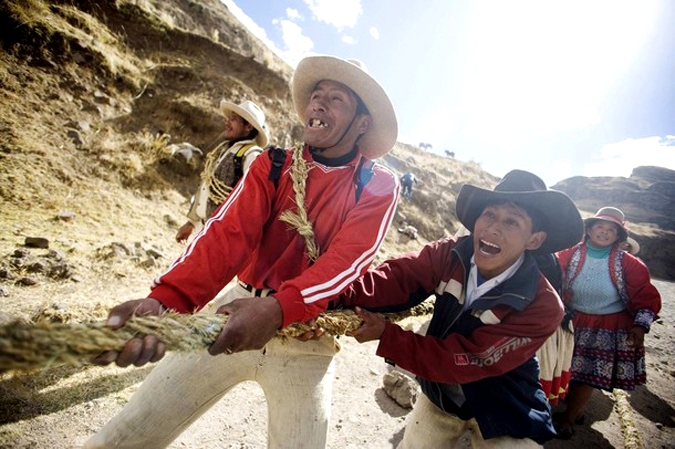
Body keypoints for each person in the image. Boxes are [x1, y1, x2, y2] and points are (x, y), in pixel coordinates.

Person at [85, 55, 399, 448]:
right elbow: (226, 235)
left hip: (308, 339)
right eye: (317, 95)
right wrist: (167, 299)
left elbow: (348, 262)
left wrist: (278, 309)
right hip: (234, 312)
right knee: (125, 436)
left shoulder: (378, 184)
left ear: (362, 124)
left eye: (336, 99)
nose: (318, 103)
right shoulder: (274, 164)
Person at [341, 169, 584, 447]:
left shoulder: (544, 305)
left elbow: (471, 358)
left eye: (512, 222)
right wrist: (333, 293)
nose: (493, 228)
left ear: (534, 240)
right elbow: (397, 279)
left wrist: (387, 336)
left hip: (506, 406)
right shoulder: (449, 254)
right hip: (442, 395)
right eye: (489, 215)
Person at [553, 206, 661, 439]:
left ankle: (569, 418)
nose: (604, 232)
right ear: (589, 230)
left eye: (611, 229)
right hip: (570, 319)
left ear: (619, 236)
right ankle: (568, 407)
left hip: (606, 326)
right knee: (562, 367)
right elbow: (550, 279)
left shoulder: (630, 264)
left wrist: (640, 325)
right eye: (599, 227)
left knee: (586, 374)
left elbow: (646, 296)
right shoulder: (568, 253)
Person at [175, 99, 269, 243]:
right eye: (229, 118)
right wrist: (191, 223)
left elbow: (254, 201)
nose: (227, 122)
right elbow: (207, 186)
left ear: (248, 127)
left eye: (234, 119)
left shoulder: (251, 155)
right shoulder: (224, 150)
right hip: (206, 229)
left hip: (224, 237)